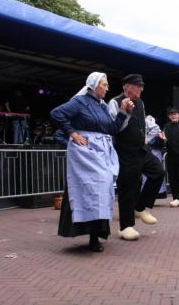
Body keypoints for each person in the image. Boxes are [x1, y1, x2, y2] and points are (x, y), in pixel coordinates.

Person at [50, 72, 130, 252]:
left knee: (103, 187)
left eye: (107, 84)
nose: (107, 88)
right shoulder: (80, 101)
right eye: (104, 84)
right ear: (94, 86)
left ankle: (96, 235)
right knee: (94, 186)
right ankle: (91, 235)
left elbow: (111, 129)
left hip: (101, 152)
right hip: (85, 152)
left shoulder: (102, 106)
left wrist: (123, 113)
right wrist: (73, 133)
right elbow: (57, 113)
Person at [108, 74, 165, 241]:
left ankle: (140, 207)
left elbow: (142, 124)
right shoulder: (114, 102)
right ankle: (126, 226)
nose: (141, 89)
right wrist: (124, 112)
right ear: (127, 87)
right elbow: (113, 129)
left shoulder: (140, 102)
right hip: (125, 151)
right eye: (138, 86)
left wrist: (145, 137)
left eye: (142, 86)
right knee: (128, 188)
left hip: (141, 147)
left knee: (158, 172)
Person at [144, 115, 167, 198]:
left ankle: (158, 192)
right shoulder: (143, 130)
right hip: (146, 152)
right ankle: (145, 192)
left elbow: (162, 143)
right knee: (145, 174)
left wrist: (161, 138)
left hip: (155, 152)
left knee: (156, 171)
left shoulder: (158, 131)